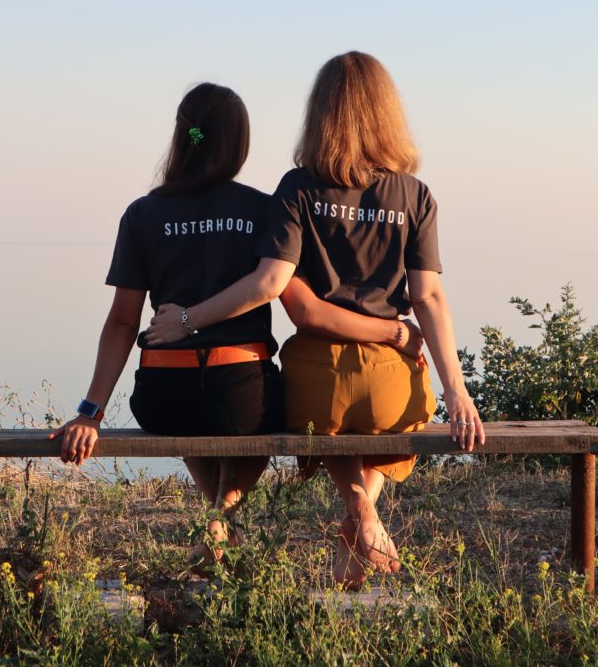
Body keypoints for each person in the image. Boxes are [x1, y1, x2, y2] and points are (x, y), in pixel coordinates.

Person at [144, 52, 484, 587]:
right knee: (405, 415)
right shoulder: (415, 196)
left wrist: (186, 320)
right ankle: (361, 516)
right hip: (393, 377)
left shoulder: (297, 189)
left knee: (321, 418)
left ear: (320, 113)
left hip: (315, 378)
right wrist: (456, 391)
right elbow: (431, 299)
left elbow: (283, 293)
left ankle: (357, 513)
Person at [53, 81, 421, 572]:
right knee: (259, 412)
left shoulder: (142, 214)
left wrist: (90, 410)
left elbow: (122, 322)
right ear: (238, 144)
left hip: (162, 396)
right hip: (241, 393)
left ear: (183, 137)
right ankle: (221, 516)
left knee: (193, 416)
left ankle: (222, 528)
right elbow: (289, 296)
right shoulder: (259, 209)